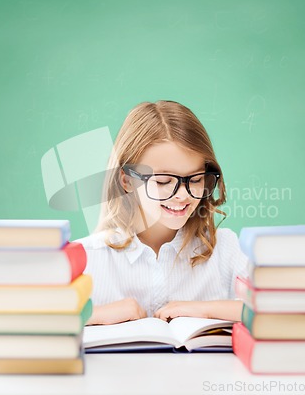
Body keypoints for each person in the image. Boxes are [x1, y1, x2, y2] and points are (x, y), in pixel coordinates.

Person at [77, 100, 248, 325]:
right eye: (164, 181)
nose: (183, 195)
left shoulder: (225, 249)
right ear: (127, 181)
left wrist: (206, 310)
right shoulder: (88, 257)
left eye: (195, 179)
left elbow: (277, 309)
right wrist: (93, 315)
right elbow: (30, 320)